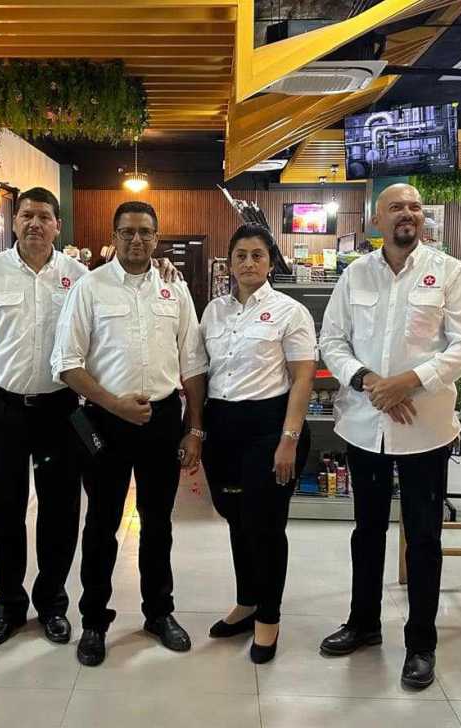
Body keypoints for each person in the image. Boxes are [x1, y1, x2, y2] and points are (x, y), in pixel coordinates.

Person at [0, 188, 178, 650]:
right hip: (3, 407)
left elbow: (122, 296)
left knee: (60, 510)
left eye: (45, 217)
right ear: (15, 222)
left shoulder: (79, 276)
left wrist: (161, 268)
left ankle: (52, 604)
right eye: (27, 215)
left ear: (58, 225)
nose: (35, 224)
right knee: (1, 508)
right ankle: (8, 607)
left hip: (61, 410)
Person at [318, 183, 461, 689]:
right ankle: (363, 623)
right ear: (377, 220)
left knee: (425, 537)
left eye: (414, 207)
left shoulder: (449, 272)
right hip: (365, 425)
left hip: (425, 429)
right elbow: (332, 340)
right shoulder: (356, 274)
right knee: (367, 530)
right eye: (396, 207)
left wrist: (409, 381)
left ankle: (421, 644)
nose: (407, 213)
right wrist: (370, 382)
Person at [51, 201, 207, 667]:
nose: (136, 239)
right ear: (114, 236)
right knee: (101, 524)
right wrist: (113, 403)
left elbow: (192, 365)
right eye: (127, 232)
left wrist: (194, 429)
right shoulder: (90, 287)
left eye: (145, 232)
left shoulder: (175, 291)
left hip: (162, 420)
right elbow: (66, 363)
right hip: (105, 420)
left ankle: (159, 613)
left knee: (159, 524)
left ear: (156, 237)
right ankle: (94, 621)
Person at [200, 224, 316, 664]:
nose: (248, 263)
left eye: (257, 255)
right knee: (236, 518)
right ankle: (247, 602)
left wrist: (289, 439)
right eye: (240, 255)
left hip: (269, 428)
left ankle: (269, 617)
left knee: (265, 526)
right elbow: (202, 371)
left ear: (270, 263)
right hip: (223, 428)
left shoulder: (290, 312)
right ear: (229, 263)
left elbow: (302, 378)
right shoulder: (213, 311)